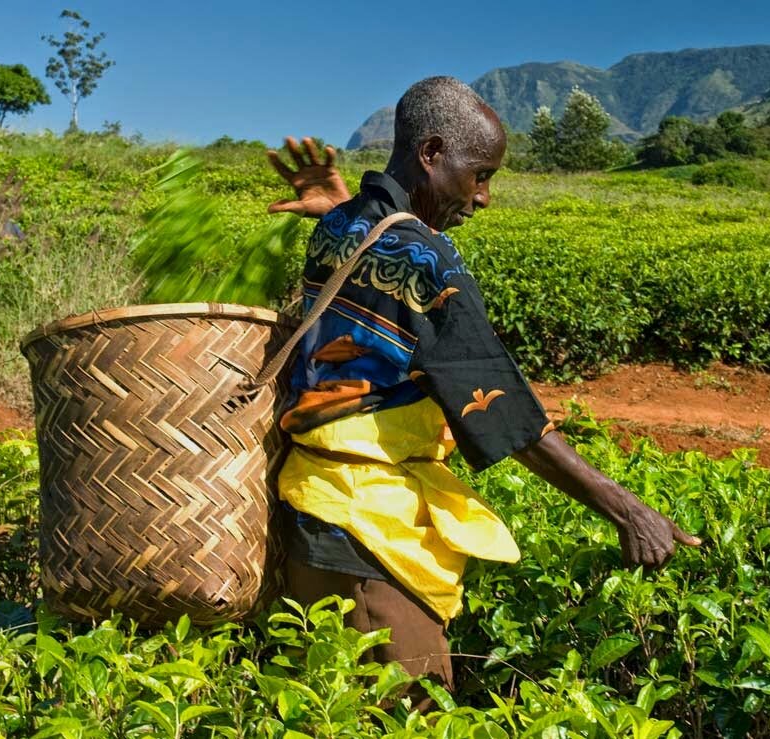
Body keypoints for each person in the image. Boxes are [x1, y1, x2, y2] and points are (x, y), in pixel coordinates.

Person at [267, 76, 699, 709]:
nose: (485, 197)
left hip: (311, 511)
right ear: (433, 152)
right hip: (366, 533)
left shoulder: (338, 226)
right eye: (481, 175)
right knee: (413, 710)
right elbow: (501, 410)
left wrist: (338, 210)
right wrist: (628, 510)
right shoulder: (426, 261)